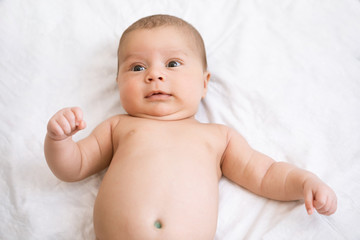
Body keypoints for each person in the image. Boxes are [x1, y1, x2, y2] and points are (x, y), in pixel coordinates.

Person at [44, 14, 337, 239]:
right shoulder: (117, 128)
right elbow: (73, 168)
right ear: (118, 82)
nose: (155, 75)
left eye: (172, 64)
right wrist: (59, 142)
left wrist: (303, 183)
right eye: (137, 67)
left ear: (204, 84)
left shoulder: (218, 137)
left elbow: (265, 174)